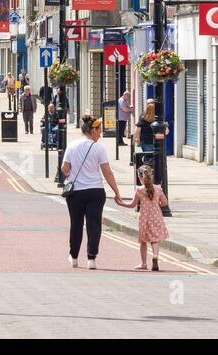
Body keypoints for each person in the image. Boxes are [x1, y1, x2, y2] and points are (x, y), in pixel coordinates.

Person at [61, 115, 125, 269]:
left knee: (76, 224)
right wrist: (116, 192)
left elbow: (64, 168)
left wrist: (71, 174)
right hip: (95, 192)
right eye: (99, 131)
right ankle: (91, 259)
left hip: (75, 193)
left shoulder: (72, 146)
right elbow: (107, 172)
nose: (100, 134)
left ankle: (74, 257)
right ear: (93, 130)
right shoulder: (98, 148)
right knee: (94, 225)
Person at [118, 164, 168, 270]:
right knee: (155, 239)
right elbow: (164, 202)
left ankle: (144, 264)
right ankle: (155, 256)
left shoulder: (139, 190)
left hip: (144, 218)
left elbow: (132, 205)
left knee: (143, 241)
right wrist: (157, 205)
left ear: (140, 177)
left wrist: (120, 203)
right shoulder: (158, 188)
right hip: (156, 216)